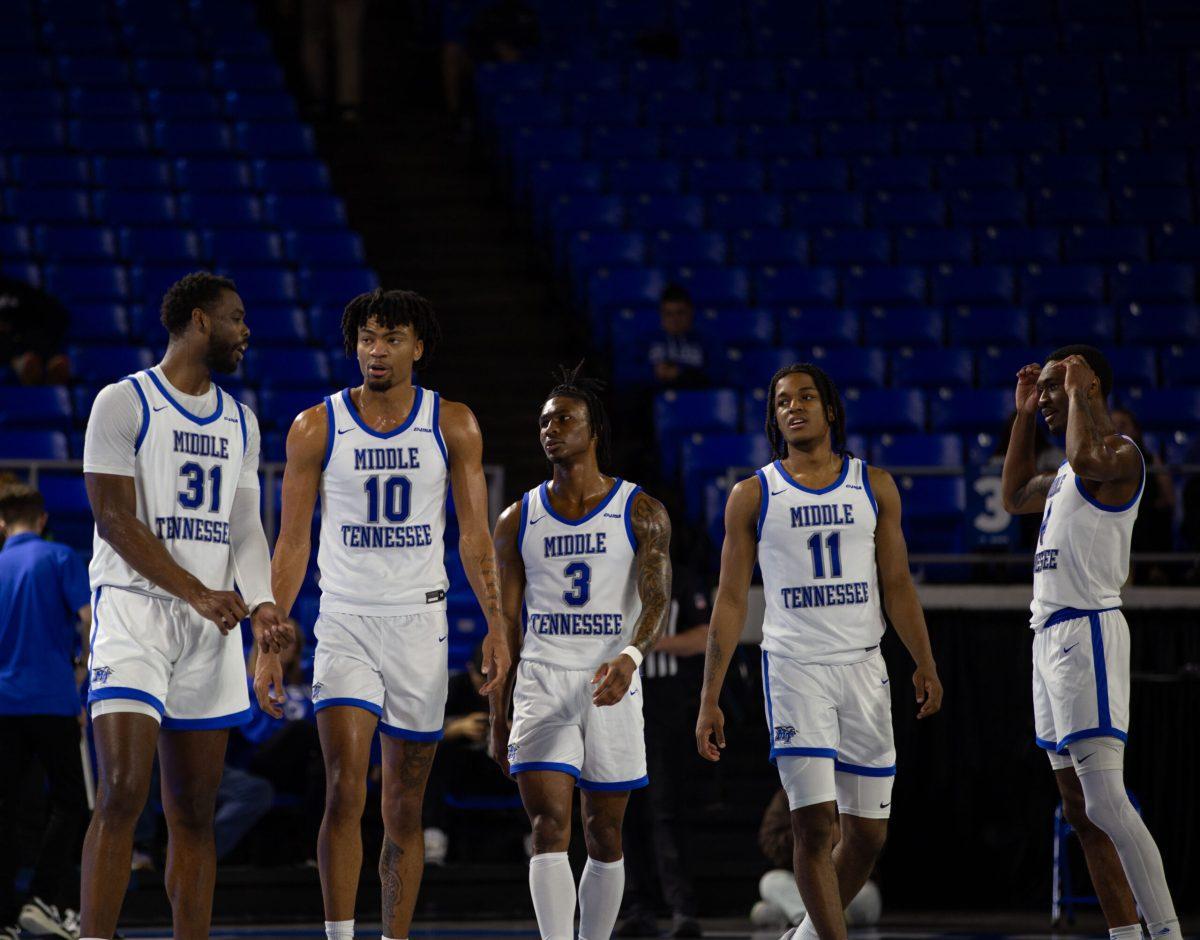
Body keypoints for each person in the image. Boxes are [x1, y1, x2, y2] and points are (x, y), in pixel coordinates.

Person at [263, 288, 511, 940]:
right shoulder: (316, 425)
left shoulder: (452, 421)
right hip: (343, 619)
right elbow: (292, 540)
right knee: (345, 789)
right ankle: (339, 934)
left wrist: (496, 623)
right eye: (368, 337)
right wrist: (271, 632)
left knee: (404, 804)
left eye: (391, 338)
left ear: (418, 348)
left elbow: (476, 535)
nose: (377, 349)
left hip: (419, 625)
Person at [694, 363, 942, 940]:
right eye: (782, 400)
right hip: (795, 669)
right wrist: (710, 695)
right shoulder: (752, 494)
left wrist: (924, 660)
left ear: (830, 409)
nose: (794, 406)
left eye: (806, 396)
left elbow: (899, 584)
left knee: (869, 835)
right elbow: (731, 600)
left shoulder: (874, 484)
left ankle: (803, 937)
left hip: (864, 666)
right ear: (774, 417)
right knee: (812, 825)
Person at [79, 272, 290, 940]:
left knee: (195, 814)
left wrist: (262, 606)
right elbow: (113, 519)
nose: (245, 331)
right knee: (120, 790)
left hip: (212, 626)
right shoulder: (124, 402)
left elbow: (246, 526)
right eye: (236, 318)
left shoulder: (241, 420)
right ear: (199, 321)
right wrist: (194, 590)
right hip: (136, 612)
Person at [1001, 346, 1181, 940]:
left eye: (1054, 387)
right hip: (1045, 637)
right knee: (1080, 812)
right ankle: (1125, 935)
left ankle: (1167, 931)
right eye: (1045, 389)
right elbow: (1013, 496)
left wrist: (1077, 391)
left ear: (1089, 383)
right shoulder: (1065, 477)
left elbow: (1086, 452)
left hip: (1089, 630)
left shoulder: (1120, 457)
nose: (1048, 396)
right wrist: (1024, 414)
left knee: (1105, 801)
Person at [489, 366, 672, 940]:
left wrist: (633, 657)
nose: (551, 428)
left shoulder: (640, 509)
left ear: (594, 431)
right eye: (544, 420)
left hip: (610, 678)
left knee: (605, 834)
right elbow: (505, 626)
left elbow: (657, 596)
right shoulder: (517, 518)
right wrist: (500, 714)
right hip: (542, 678)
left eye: (564, 418)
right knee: (549, 827)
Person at [0, 484, 91, 940]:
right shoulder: (58, 557)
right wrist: (83, 673)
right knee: (72, 802)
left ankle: (3, 918)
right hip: (53, 699)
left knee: (7, 806)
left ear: (2, 523)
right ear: (42, 519)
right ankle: (42, 896)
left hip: (4, 701)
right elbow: (90, 618)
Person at [616, 564, 709, 939]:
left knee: (664, 807)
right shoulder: (614, 574)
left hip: (663, 700)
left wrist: (644, 645)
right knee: (623, 807)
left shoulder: (681, 577)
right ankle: (638, 907)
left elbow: (703, 636)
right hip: (619, 695)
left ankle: (681, 907)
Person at [1110, 407, 1176, 584]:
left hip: (1145, 524)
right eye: (1113, 425)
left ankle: (1154, 568)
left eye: (1123, 425)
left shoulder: (1150, 460)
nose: (1118, 430)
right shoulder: (1100, 465)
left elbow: (1169, 500)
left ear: (1135, 430)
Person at [0, 273, 71, 385]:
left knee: (39, 328)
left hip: (24, 337)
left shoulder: (16, 289)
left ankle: (50, 363)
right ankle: (22, 364)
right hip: (7, 345)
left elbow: (55, 311)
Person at [647, 284, 705, 390]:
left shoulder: (707, 341)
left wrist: (682, 373)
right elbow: (626, 374)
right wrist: (654, 372)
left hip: (697, 400)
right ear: (661, 315)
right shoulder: (646, 340)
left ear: (690, 313)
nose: (674, 319)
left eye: (680, 313)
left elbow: (720, 374)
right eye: (668, 314)